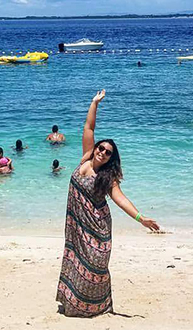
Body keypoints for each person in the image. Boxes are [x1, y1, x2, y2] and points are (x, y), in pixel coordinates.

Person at [56, 90, 160, 317]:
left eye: (108, 152)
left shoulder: (108, 178)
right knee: (75, 259)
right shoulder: (85, 157)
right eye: (101, 148)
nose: (102, 152)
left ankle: (97, 307)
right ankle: (73, 304)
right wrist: (94, 102)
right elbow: (89, 128)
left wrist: (141, 218)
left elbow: (120, 199)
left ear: (111, 158)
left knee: (95, 266)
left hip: (98, 226)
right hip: (76, 224)